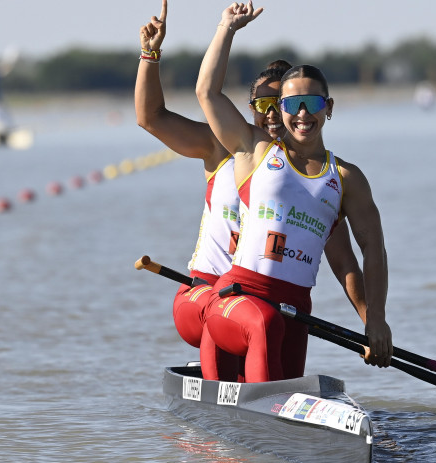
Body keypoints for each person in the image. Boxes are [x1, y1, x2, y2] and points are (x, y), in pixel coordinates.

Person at [136, 0, 370, 380]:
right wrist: (150, 53)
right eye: (264, 104)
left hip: (274, 304)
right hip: (208, 291)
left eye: (285, 104)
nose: (275, 114)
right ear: (251, 108)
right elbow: (151, 117)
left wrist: (371, 325)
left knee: (272, 331)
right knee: (262, 322)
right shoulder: (227, 146)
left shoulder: (316, 185)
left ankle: (265, 399)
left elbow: (345, 263)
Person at [196, 1, 393, 383]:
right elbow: (207, 92)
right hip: (236, 301)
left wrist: (376, 322)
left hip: (294, 309)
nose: (302, 114)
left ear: (329, 108)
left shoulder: (348, 179)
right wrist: (227, 29)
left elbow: (372, 250)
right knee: (266, 323)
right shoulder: (255, 149)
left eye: (313, 103)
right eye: (291, 105)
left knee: (277, 342)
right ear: (280, 109)